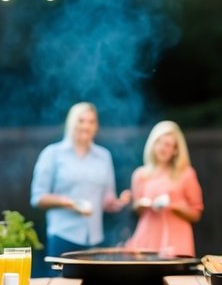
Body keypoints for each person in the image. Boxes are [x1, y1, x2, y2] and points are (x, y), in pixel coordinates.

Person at [30, 102, 132, 258]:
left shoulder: (103, 156)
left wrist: (118, 203)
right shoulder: (53, 154)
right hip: (63, 236)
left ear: (96, 126)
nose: (86, 126)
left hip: (94, 239)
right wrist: (69, 203)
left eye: (91, 122)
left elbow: (107, 200)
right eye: (81, 120)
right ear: (71, 123)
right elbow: (37, 198)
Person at [125, 121, 203, 256]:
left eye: (167, 144)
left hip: (177, 245)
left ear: (175, 150)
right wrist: (142, 205)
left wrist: (174, 206)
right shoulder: (140, 175)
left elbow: (196, 214)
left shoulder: (187, 174)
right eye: (159, 142)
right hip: (147, 242)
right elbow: (137, 211)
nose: (162, 148)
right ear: (152, 144)